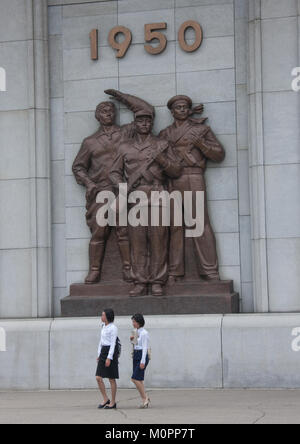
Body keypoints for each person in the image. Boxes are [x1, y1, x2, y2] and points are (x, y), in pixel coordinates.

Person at [107, 89, 182, 297]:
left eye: (148, 122)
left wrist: (161, 160)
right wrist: (124, 189)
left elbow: (176, 170)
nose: (144, 125)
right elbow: (113, 173)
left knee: (159, 241)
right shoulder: (124, 147)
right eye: (140, 122)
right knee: (138, 243)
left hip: (158, 197)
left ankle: (157, 280)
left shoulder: (162, 145)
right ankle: (140, 281)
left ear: (151, 124)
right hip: (135, 198)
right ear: (135, 123)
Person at [159, 95, 225, 283]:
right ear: (171, 112)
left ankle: (209, 270)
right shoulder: (164, 134)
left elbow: (219, 154)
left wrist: (201, 144)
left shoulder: (201, 130)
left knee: (199, 223)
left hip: (193, 176)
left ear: (189, 110)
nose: (181, 110)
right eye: (178, 107)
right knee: (175, 226)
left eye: (184, 107)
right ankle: (175, 272)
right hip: (172, 180)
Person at [72, 101, 135, 284]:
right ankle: (94, 271)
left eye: (111, 110)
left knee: (123, 231)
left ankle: (128, 269)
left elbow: (145, 112)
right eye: (103, 111)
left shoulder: (125, 133)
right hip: (100, 191)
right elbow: (78, 167)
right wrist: (89, 183)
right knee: (98, 233)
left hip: (122, 190)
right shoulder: (90, 142)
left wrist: (120, 96)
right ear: (97, 116)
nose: (108, 113)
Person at [96, 308, 120, 409]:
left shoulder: (113, 328)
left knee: (111, 378)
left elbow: (113, 343)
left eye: (103, 315)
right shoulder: (103, 326)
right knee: (98, 377)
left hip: (110, 352)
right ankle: (106, 398)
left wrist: (109, 358)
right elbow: (101, 341)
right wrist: (99, 354)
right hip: (103, 352)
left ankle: (113, 402)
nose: (101, 317)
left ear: (107, 317)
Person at [130, 314, 151, 409]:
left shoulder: (144, 333)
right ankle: (145, 399)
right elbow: (136, 344)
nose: (133, 323)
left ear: (139, 322)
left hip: (142, 355)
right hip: (136, 354)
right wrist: (132, 340)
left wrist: (143, 361)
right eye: (133, 322)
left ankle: (145, 398)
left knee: (134, 378)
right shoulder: (136, 331)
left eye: (134, 322)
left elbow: (145, 347)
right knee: (139, 379)